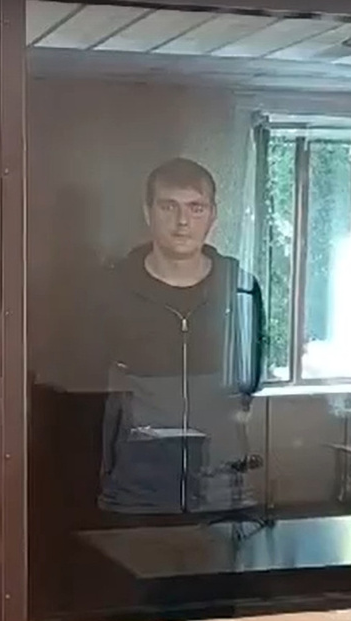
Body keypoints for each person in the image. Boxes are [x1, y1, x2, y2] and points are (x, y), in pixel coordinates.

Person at [95, 157, 265, 517]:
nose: (182, 221)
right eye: (169, 206)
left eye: (195, 207)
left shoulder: (240, 289)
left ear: (213, 215)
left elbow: (248, 386)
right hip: (137, 489)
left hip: (222, 487)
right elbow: (89, 389)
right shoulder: (112, 289)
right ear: (148, 212)